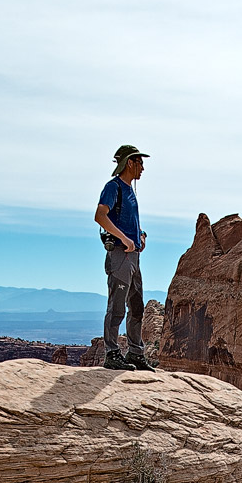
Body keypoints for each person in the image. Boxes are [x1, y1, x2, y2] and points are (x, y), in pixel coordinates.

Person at [95, 145, 156, 370]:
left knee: (136, 306)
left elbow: (128, 220)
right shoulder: (114, 187)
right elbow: (100, 216)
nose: (143, 168)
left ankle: (135, 353)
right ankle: (112, 354)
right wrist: (124, 239)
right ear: (130, 163)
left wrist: (140, 235)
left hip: (133, 257)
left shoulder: (130, 191)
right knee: (117, 307)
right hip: (120, 255)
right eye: (140, 162)